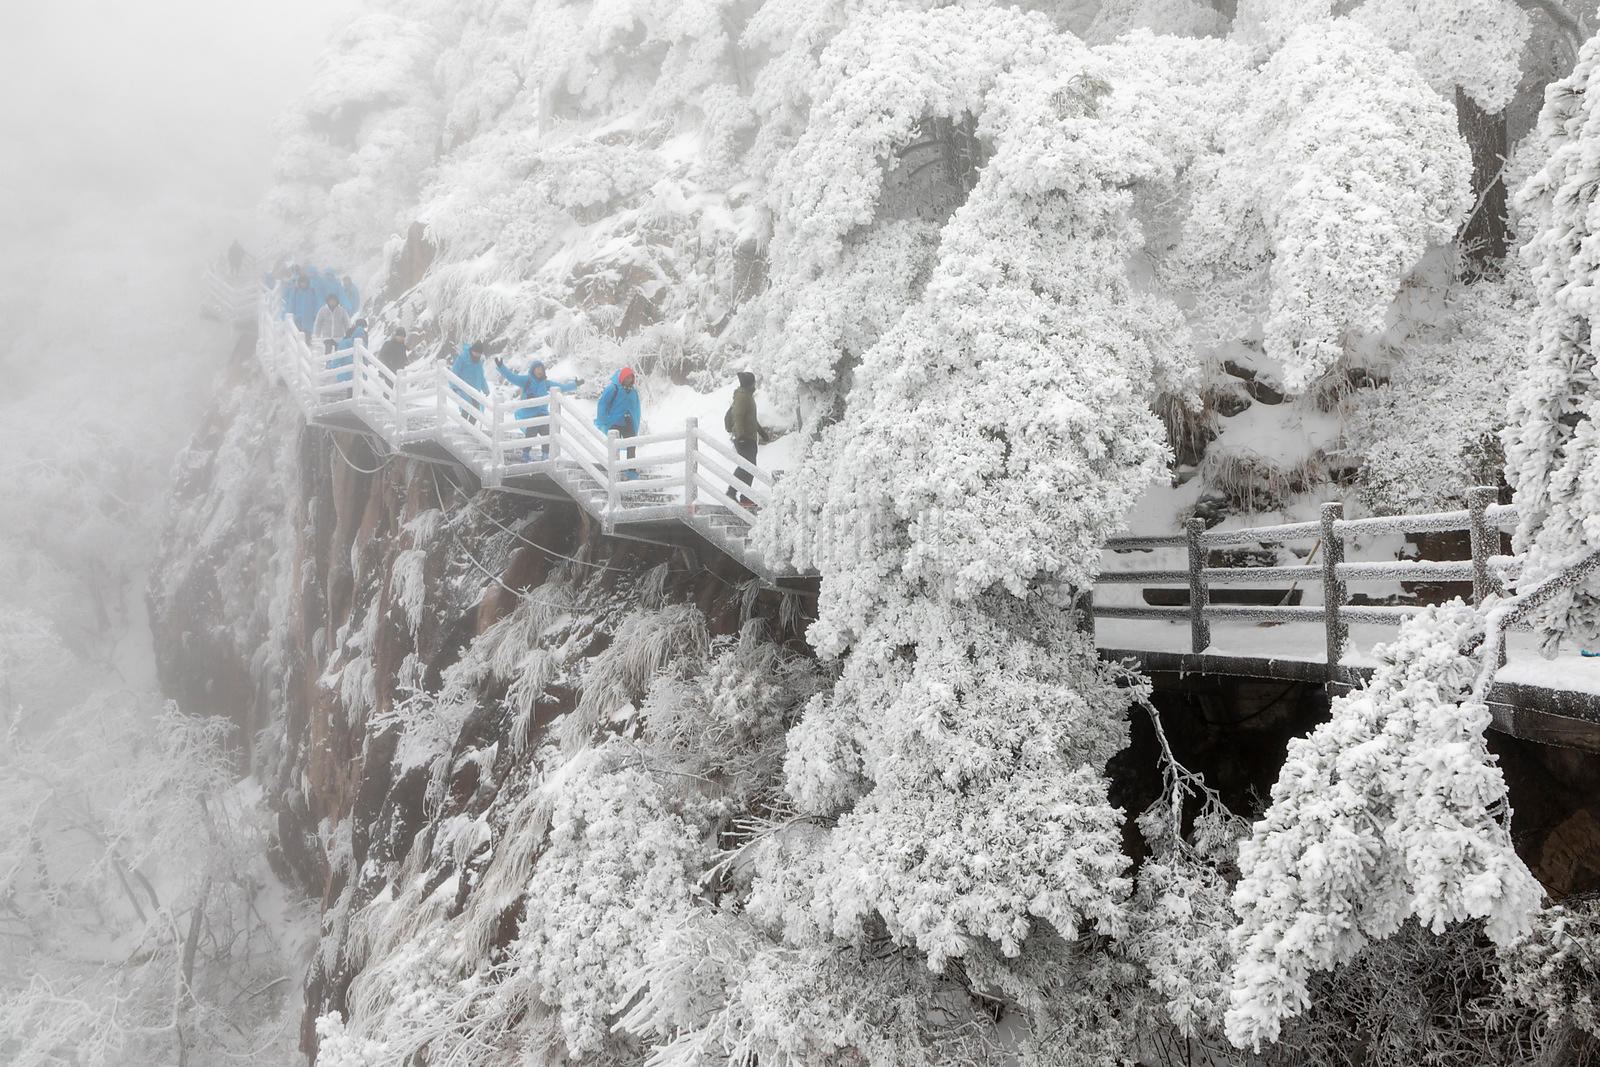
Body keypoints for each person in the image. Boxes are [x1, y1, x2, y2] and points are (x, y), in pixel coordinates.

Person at [495, 356, 581, 461]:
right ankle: (525, 454)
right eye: (537, 368)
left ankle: (545, 455)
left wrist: (576, 384)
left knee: (547, 432)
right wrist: (501, 366)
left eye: (541, 369)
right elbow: (512, 377)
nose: (540, 371)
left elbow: (561, 387)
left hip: (543, 414)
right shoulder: (526, 380)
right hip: (529, 414)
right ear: (533, 370)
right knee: (532, 430)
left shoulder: (546, 383)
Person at [723, 371, 773, 506]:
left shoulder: (747, 396)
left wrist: (761, 432)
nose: (755, 384)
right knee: (747, 467)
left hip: (749, 437)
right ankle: (734, 494)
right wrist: (740, 437)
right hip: (744, 438)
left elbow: (751, 419)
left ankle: (742, 496)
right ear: (750, 383)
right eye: (754, 381)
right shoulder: (742, 397)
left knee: (749, 468)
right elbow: (738, 416)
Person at [594, 367, 643, 478]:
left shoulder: (633, 392)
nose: (629, 379)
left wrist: (635, 421)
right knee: (614, 447)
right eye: (627, 377)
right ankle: (614, 468)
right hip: (614, 422)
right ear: (622, 377)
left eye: (631, 377)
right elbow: (602, 404)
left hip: (628, 422)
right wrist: (603, 419)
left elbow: (636, 408)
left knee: (631, 445)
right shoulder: (613, 389)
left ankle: (631, 470)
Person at [450, 341, 490, 412]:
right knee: (465, 412)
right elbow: (455, 372)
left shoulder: (479, 363)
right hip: (464, 391)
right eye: (476, 353)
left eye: (479, 353)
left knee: (476, 413)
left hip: (476, 392)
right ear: (472, 351)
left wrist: (486, 389)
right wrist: (454, 387)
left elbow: (481, 377)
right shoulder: (462, 359)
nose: (477, 355)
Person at [329, 319, 368, 386]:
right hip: (355, 366)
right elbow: (366, 354)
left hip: (348, 363)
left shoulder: (349, 334)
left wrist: (334, 366)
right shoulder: (364, 335)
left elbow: (341, 350)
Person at [287, 274, 318, 339]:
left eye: (304, 282)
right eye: (301, 282)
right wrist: (291, 312)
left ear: (307, 283)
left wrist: (315, 314)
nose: (303, 284)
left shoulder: (312, 291)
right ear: (299, 283)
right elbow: (292, 303)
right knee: (298, 333)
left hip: (308, 317)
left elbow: (315, 303)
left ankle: (307, 342)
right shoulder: (296, 291)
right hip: (298, 316)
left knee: (307, 333)